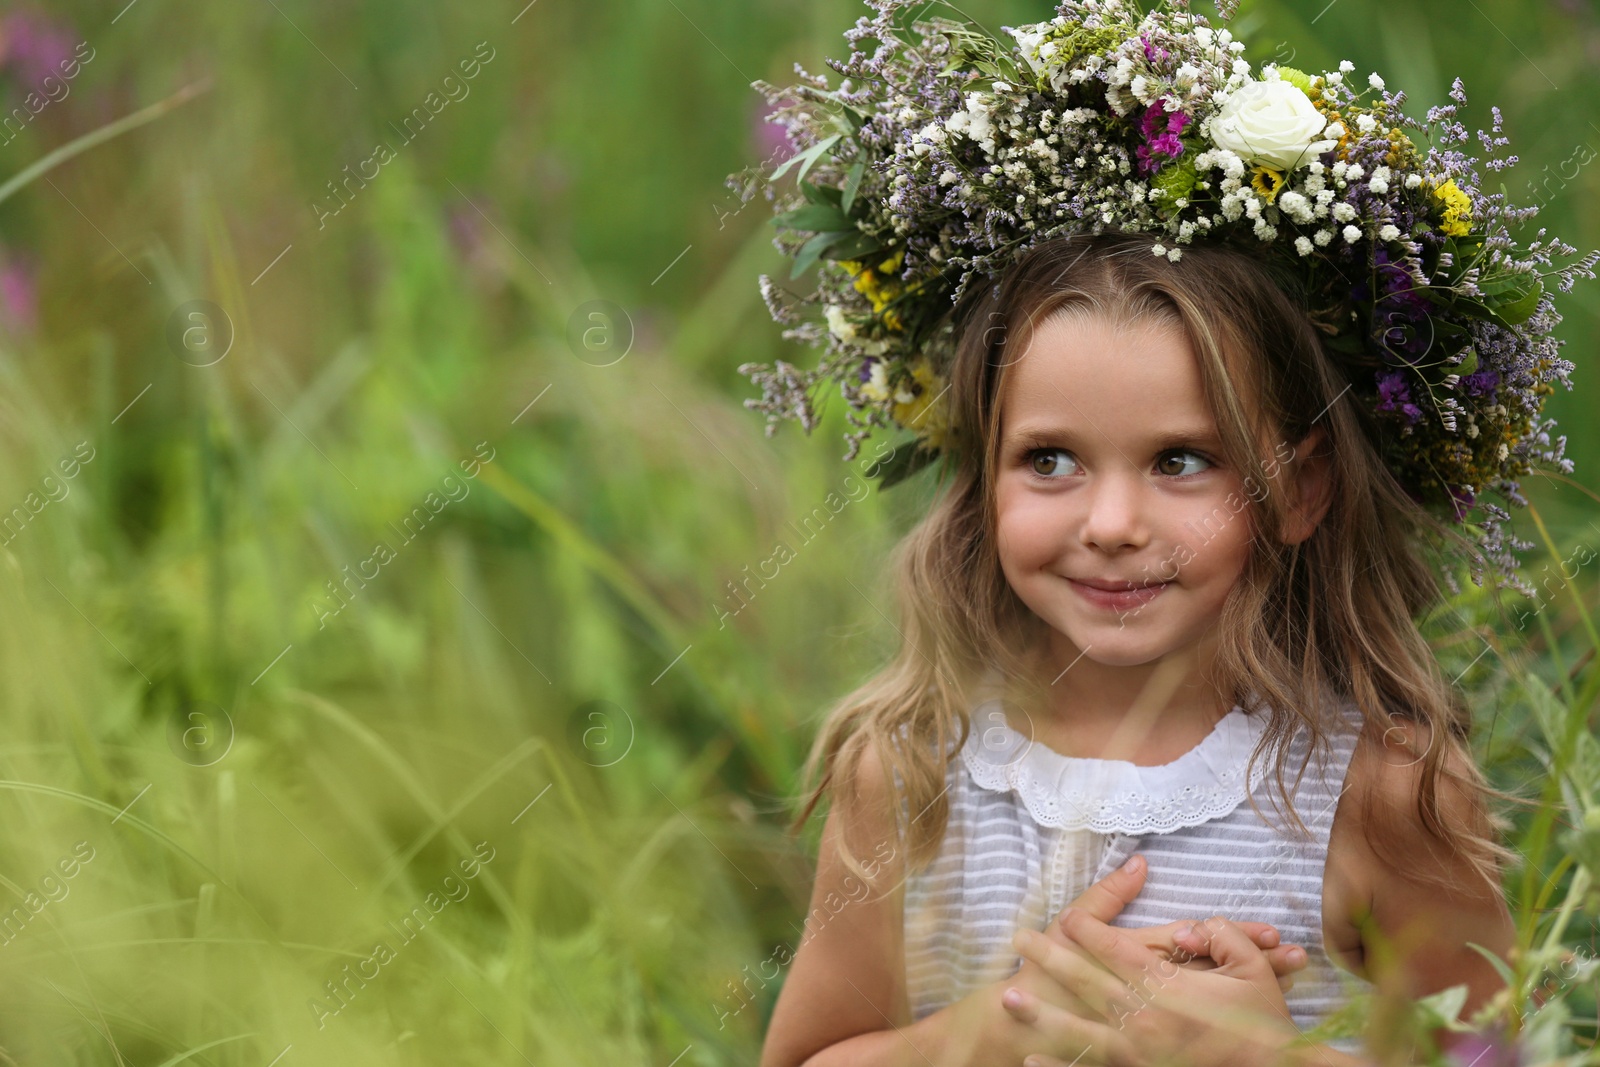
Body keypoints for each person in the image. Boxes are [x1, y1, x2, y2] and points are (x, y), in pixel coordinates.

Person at [733, 3, 1594, 1064]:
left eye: (1181, 460)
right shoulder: (910, 770)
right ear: (979, 476)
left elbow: (1492, 1052)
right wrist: (1005, 1032)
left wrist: (1266, 1056)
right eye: (1048, 459)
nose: (1109, 524)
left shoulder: (1374, 788)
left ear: (1297, 488)